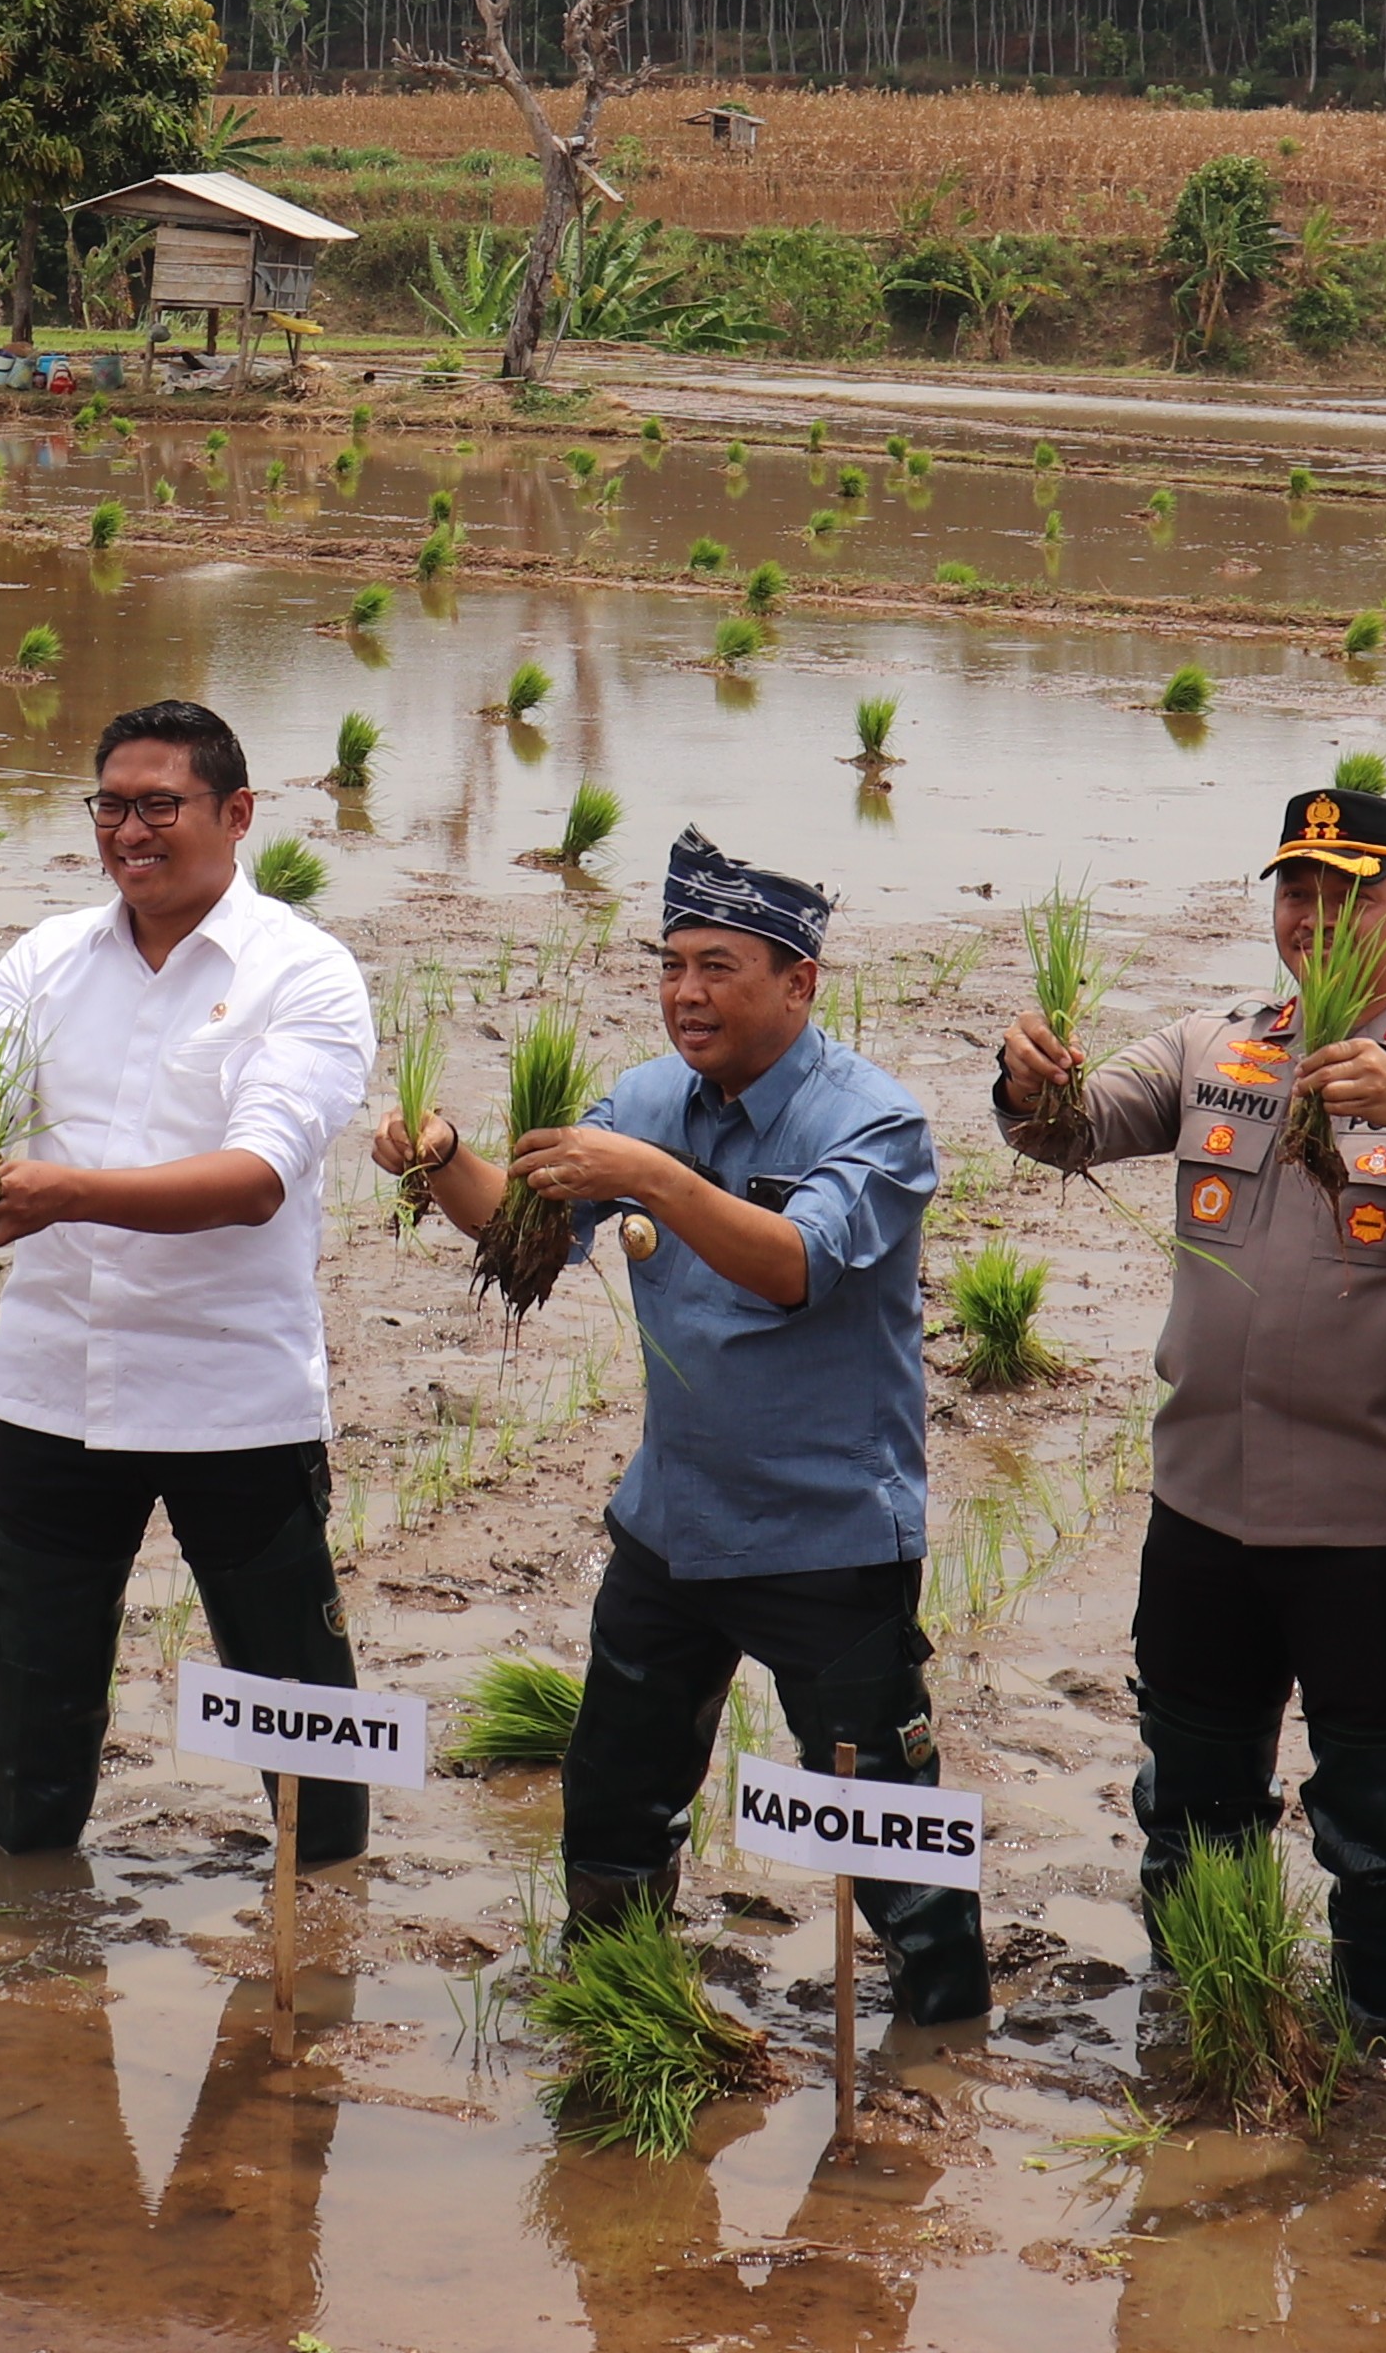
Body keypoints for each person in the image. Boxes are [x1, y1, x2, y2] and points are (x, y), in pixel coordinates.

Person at [990, 780, 1386, 2039]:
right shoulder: (1216, 1045)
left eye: (1347, 892)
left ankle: (1384, 2044)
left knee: (1378, 1814)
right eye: (1296, 889)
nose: (1312, 915)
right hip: (1205, 1507)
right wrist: (1028, 1075)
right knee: (1192, 1794)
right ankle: (1207, 2020)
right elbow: (1069, 1130)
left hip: (1382, 1530)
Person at [386, 830, 986, 2033]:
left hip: (827, 1541)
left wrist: (649, 1178)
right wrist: (450, 1162)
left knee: (886, 1829)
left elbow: (794, 1266)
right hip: (672, 1526)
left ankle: (946, 2034)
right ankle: (617, 2009)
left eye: (718, 965)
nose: (686, 993)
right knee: (613, 1801)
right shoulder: (649, 1100)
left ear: (799, 981)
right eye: (670, 965)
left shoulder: (876, 1121)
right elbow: (532, 1240)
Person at [0, 698, 380, 1868]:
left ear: (236, 814)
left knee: (302, 1704)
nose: (129, 830)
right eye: (111, 804)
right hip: (54, 1390)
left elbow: (255, 1179)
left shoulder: (302, 973)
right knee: (36, 1704)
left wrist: (58, 1193)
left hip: (229, 1401)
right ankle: (33, 1935)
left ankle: (329, 1918)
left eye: (160, 805)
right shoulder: (42, 959)